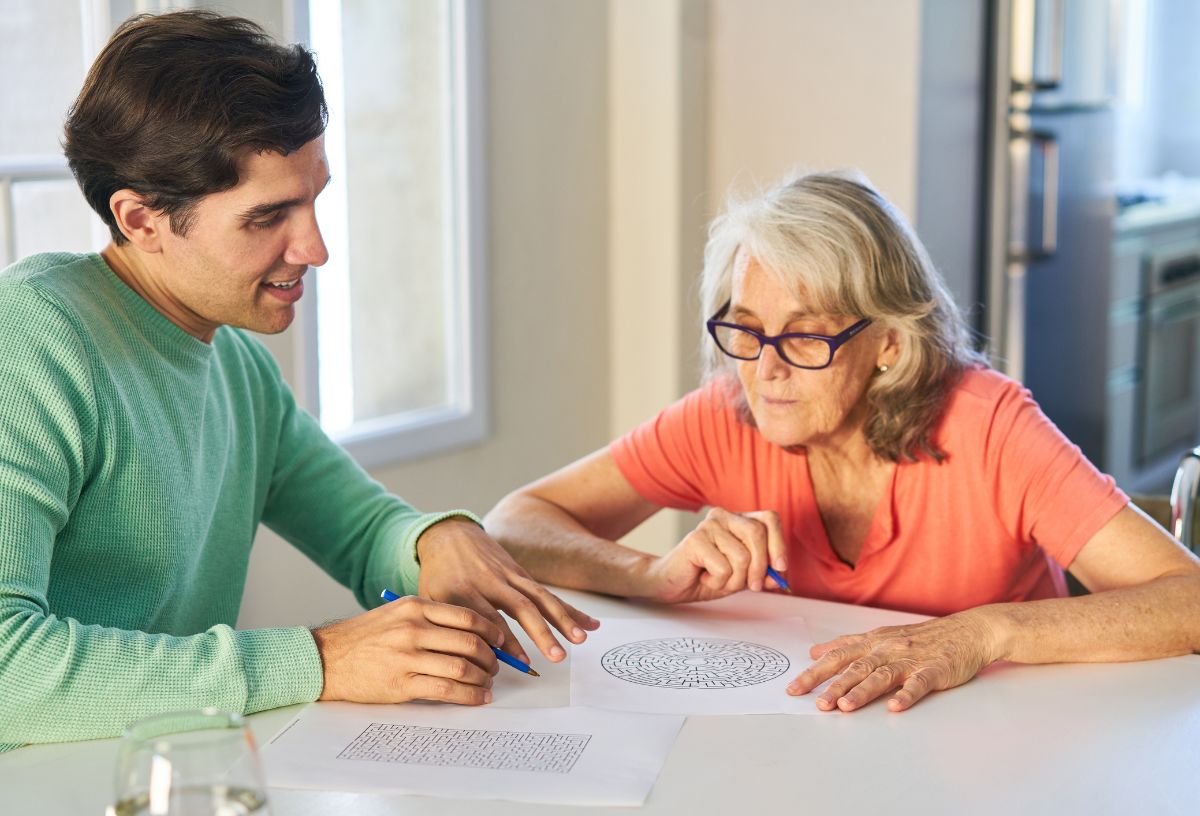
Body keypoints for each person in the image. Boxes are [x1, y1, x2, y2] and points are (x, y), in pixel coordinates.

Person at [0, 10, 596, 752]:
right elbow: (6, 669)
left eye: (315, 199)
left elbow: (364, 529)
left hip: (160, 778)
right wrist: (320, 659)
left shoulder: (238, 366)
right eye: (267, 217)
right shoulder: (30, 341)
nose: (314, 248)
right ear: (142, 219)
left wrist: (432, 541)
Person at [485, 170, 1200, 713]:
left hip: (1003, 749)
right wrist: (651, 577)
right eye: (745, 328)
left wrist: (982, 634)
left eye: (804, 334)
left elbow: (1189, 599)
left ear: (888, 343)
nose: (765, 368)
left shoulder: (989, 425)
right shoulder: (728, 412)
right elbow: (514, 524)